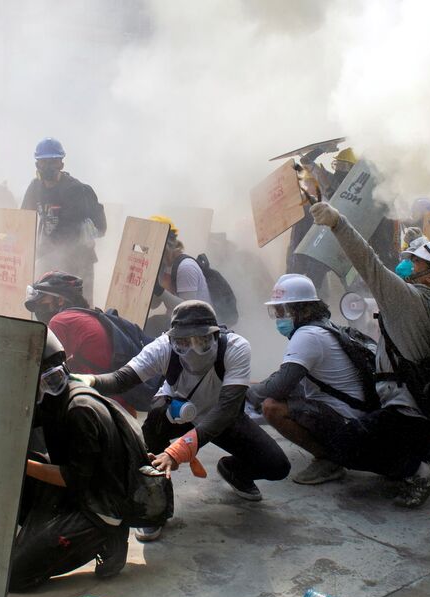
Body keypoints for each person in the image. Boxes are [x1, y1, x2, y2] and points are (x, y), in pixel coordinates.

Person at [309, 201, 430, 507]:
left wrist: (338, 223)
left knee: (344, 445)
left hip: (411, 416)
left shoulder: (410, 300)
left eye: (415, 262)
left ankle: (422, 473)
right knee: (394, 446)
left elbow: (369, 264)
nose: (405, 264)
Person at [76, 301, 290, 541]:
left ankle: (233, 470)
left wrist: (179, 450)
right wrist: (91, 382)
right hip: (177, 412)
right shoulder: (162, 348)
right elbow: (124, 378)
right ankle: (153, 508)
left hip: (221, 416)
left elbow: (228, 408)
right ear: (171, 340)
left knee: (277, 466)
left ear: (216, 335)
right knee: (152, 434)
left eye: (201, 342)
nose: (190, 351)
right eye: (182, 343)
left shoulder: (236, 348)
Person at [9, 331, 131, 591]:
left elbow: (73, 478)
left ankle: (109, 538)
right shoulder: (54, 398)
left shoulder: (80, 410)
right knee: (22, 461)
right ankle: (41, 536)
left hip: (98, 507)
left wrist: (19, 464)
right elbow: (23, 423)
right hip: (78, 493)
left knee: (15, 577)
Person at [247, 274, 372, 485]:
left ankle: (330, 460)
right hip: (354, 415)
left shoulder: (307, 335)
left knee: (272, 407)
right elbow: (289, 380)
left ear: (304, 310)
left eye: (283, 311)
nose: (279, 317)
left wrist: (247, 394)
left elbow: (280, 387)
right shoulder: (320, 328)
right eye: (276, 311)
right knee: (262, 388)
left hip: (349, 424)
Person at [24, 270, 157, 414]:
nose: (38, 305)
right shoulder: (85, 315)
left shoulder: (62, 321)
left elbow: (37, 368)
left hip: (102, 410)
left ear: (60, 300)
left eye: (42, 299)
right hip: (120, 409)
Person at [20, 138, 106, 304]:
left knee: (80, 306)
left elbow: (69, 235)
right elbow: (23, 219)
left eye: (53, 162)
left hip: (79, 260)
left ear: (61, 164)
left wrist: (43, 258)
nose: (47, 167)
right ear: (37, 165)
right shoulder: (35, 187)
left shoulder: (74, 190)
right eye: (43, 162)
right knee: (46, 304)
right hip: (48, 256)